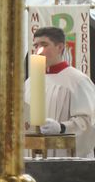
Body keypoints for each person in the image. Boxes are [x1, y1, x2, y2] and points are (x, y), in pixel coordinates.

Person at [24, 26, 95, 157]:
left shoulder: (78, 81)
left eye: (44, 45)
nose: (38, 50)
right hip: (33, 157)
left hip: (65, 159)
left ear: (60, 47)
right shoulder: (29, 83)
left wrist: (62, 127)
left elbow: (89, 123)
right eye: (36, 45)